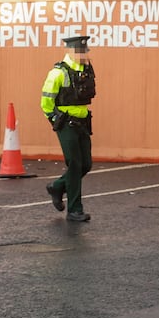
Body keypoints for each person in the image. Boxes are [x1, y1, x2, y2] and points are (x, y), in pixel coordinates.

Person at [40, 35, 96, 222]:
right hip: (67, 124)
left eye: (85, 50)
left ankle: (57, 186)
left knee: (86, 164)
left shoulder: (85, 71)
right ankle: (74, 210)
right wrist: (56, 120)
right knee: (74, 165)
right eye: (80, 51)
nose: (84, 54)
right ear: (70, 52)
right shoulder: (58, 73)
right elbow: (46, 102)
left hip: (82, 123)